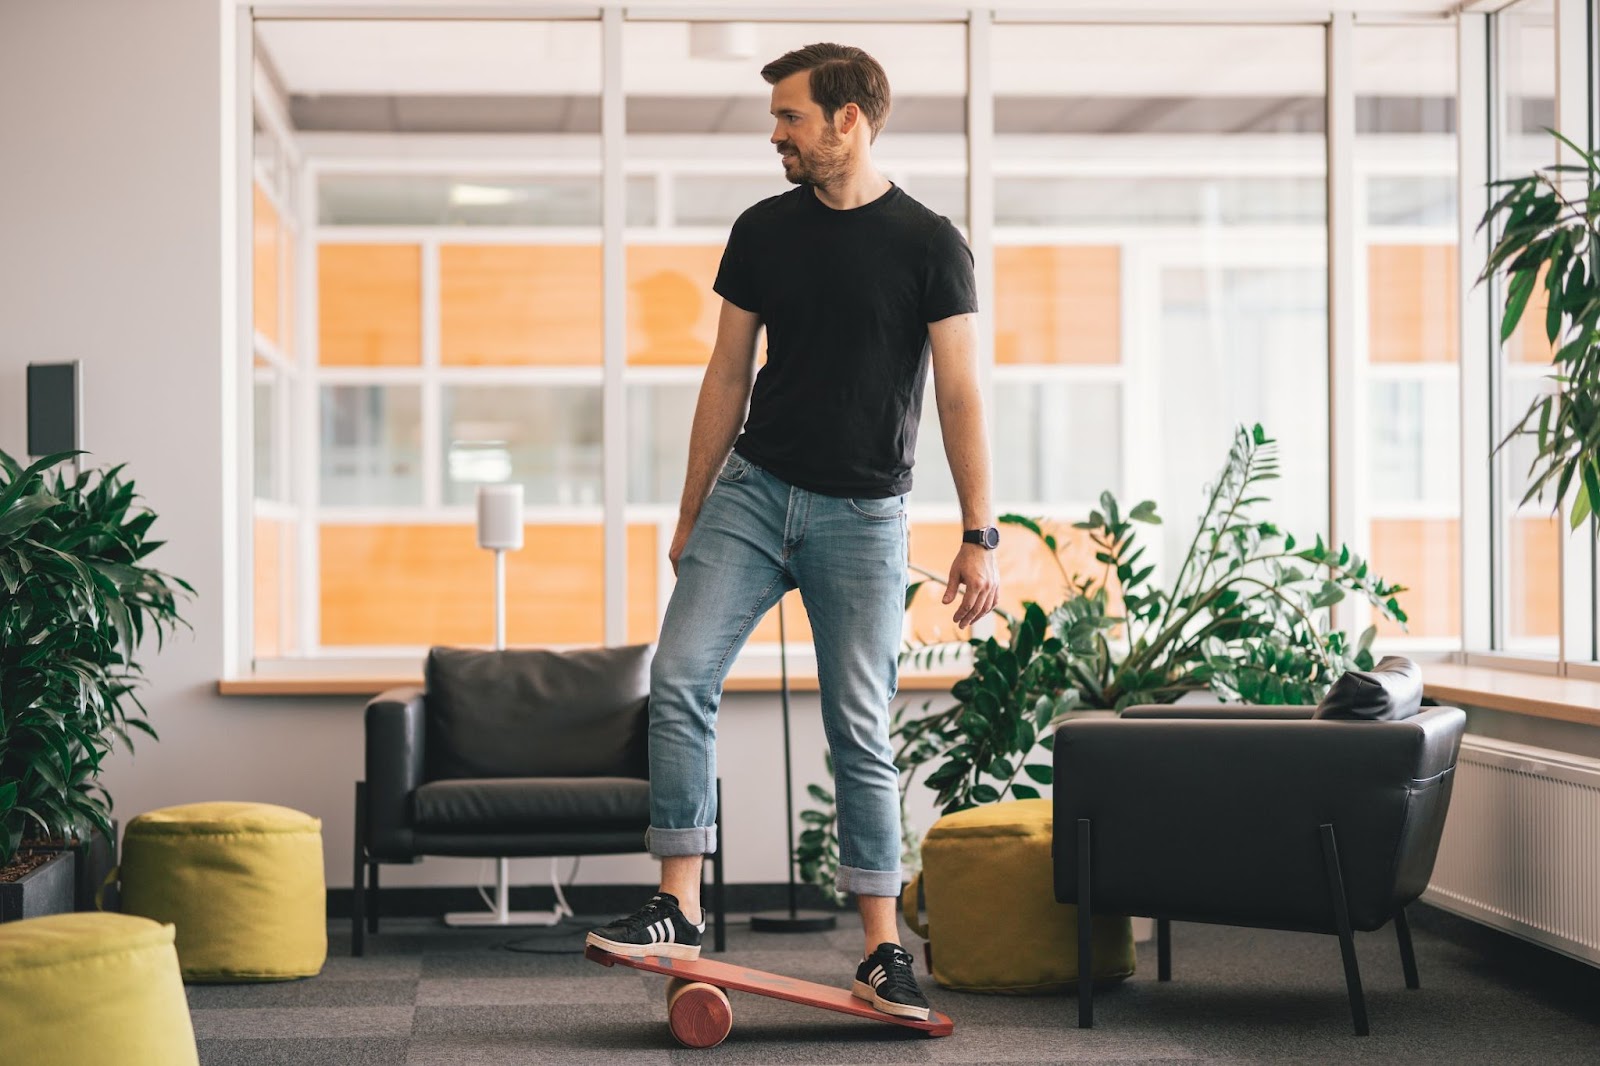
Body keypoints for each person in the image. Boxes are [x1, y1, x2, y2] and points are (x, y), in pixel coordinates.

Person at [586, 42, 999, 1022]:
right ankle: (677, 905)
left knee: (858, 721)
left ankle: (879, 950)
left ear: (847, 119)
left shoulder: (930, 244)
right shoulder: (762, 230)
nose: (774, 133)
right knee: (681, 674)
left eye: (789, 116)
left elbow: (959, 392)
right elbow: (726, 374)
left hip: (863, 513)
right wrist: (691, 509)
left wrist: (980, 529)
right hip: (753, 492)